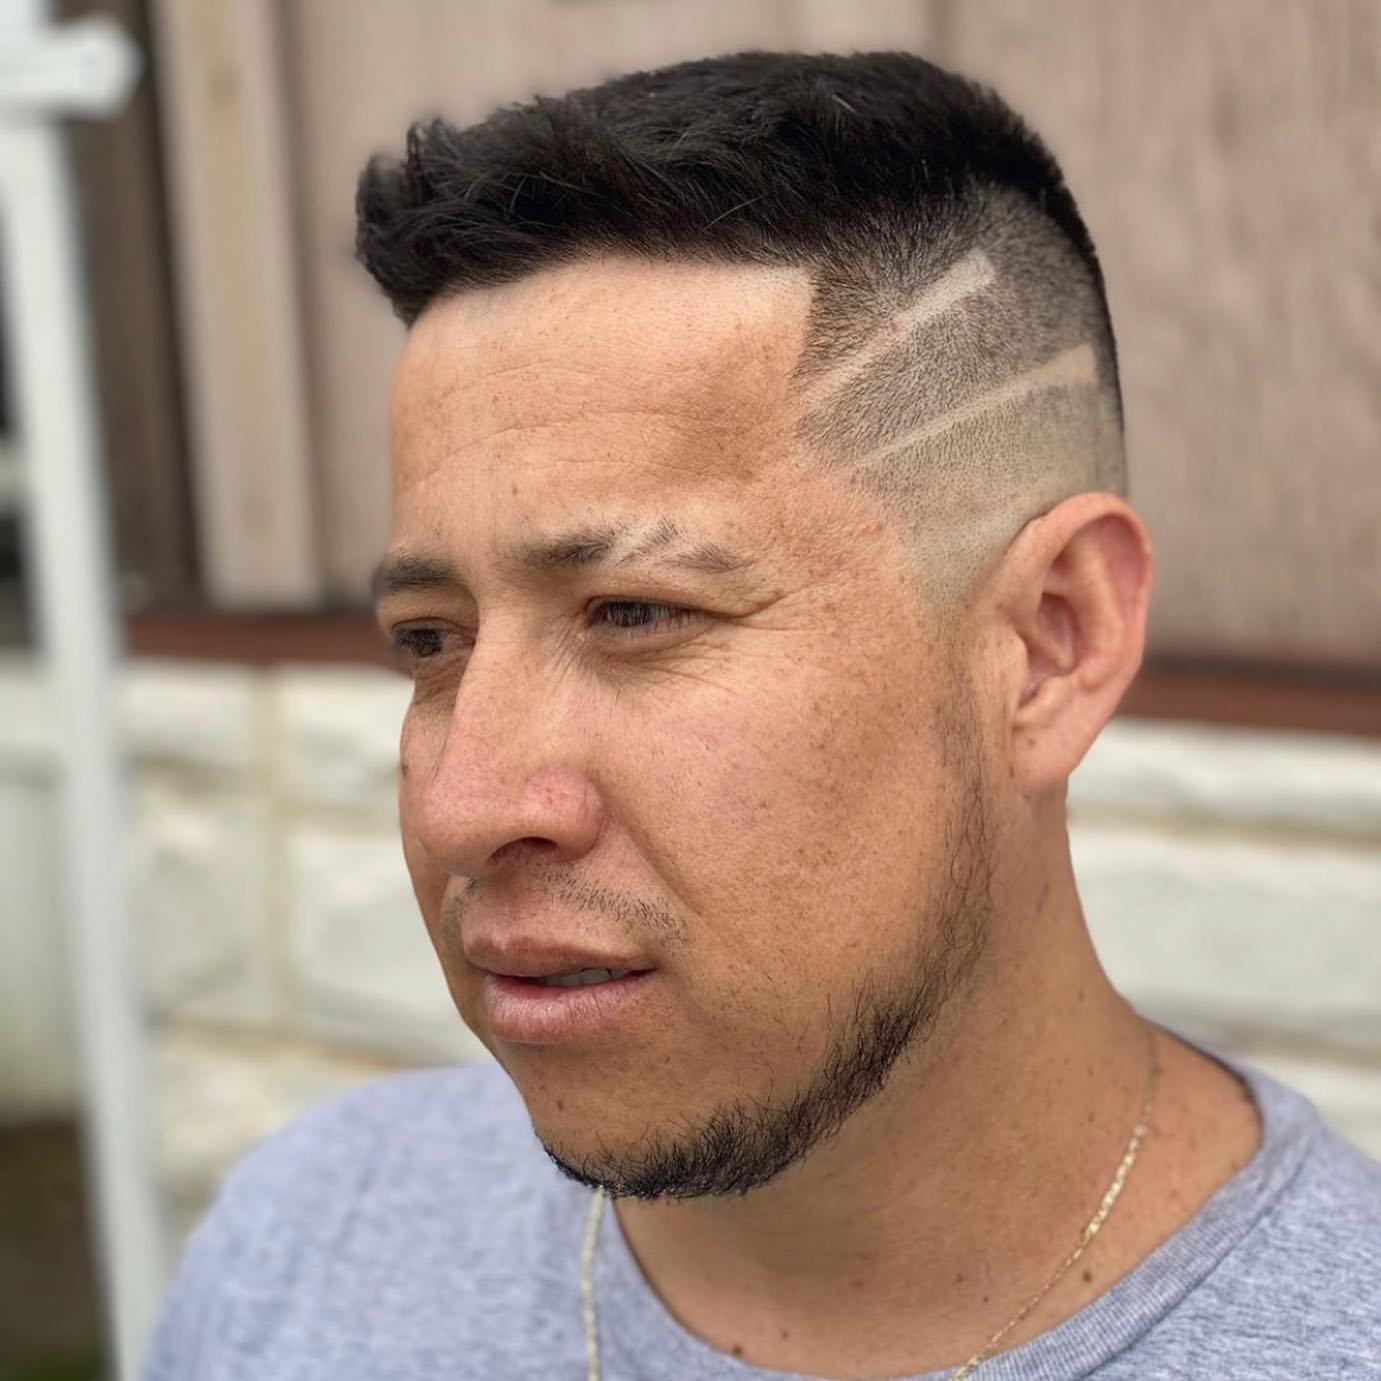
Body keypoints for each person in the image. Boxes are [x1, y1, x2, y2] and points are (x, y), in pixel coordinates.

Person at [143, 50, 1381, 1381]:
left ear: (1048, 645)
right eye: (430, 640)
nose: (463, 806)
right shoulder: (308, 1248)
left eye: (634, 612)